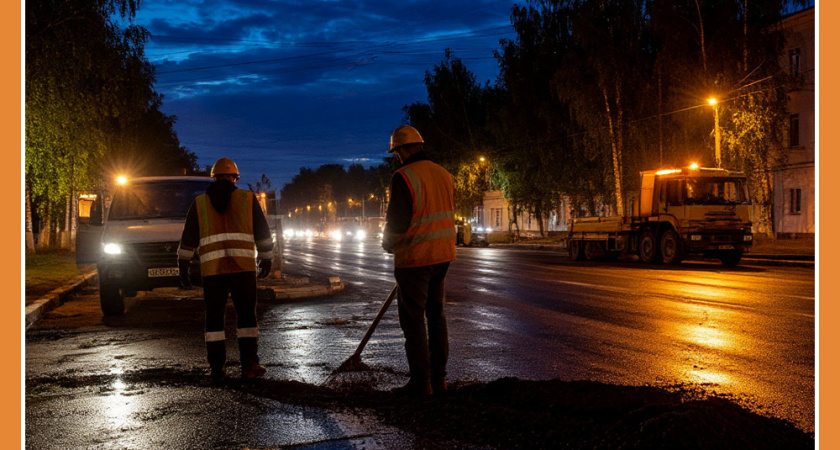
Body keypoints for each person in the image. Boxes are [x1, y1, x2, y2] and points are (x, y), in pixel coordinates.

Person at [177, 157, 274, 384]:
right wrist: (267, 259)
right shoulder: (248, 199)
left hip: (213, 272)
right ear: (234, 178)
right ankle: (249, 365)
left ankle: (217, 369)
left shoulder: (199, 204)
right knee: (247, 318)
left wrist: (183, 267)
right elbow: (263, 233)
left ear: (214, 177)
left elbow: (188, 238)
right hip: (243, 270)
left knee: (214, 321)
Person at [382, 125, 457, 396]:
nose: (397, 157)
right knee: (436, 316)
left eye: (397, 152)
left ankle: (421, 382)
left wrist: (388, 243)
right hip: (443, 254)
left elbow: (398, 222)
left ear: (401, 150)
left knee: (413, 321)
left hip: (415, 257)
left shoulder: (403, 176)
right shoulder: (444, 174)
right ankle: (440, 379)